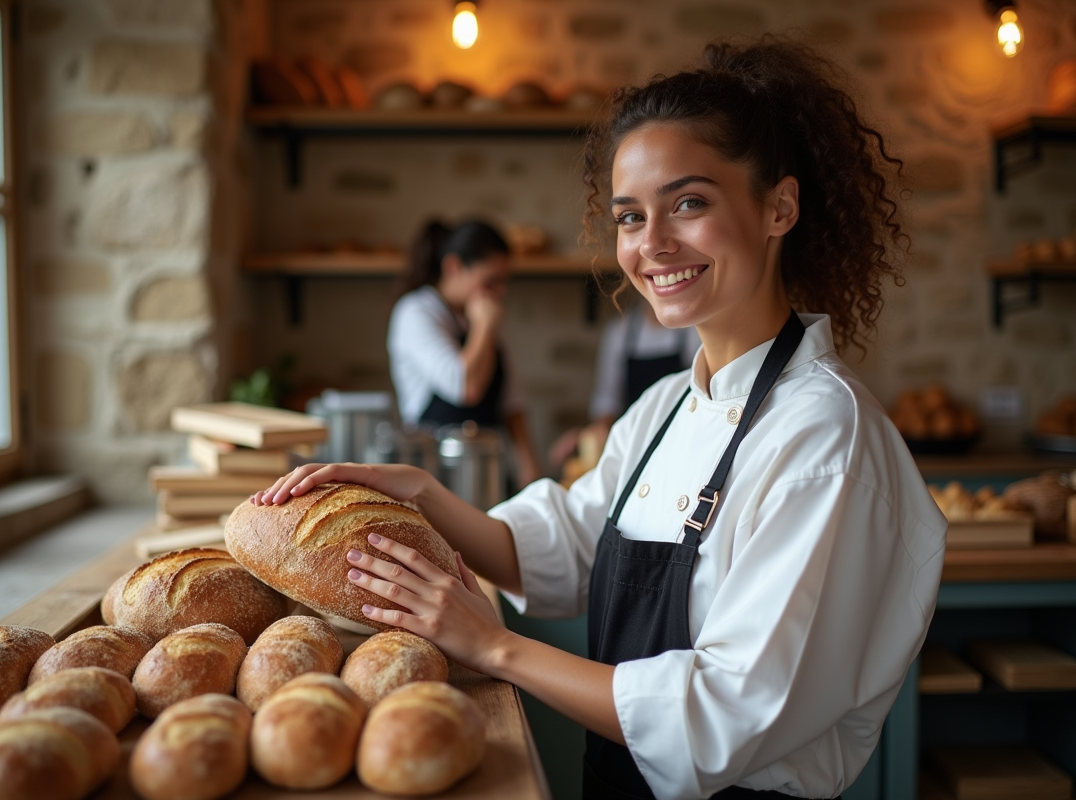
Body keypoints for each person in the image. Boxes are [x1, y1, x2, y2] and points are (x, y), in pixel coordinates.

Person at [254, 38, 946, 800]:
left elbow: (720, 716)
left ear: (779, 206)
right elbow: (564, 548)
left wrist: (496, 648)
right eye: (629, 216)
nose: (651, 244)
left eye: (689, 202)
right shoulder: (665, 409)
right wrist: (422, 494)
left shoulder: (822, 437)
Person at [386, 219, 542, 486]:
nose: (499, 292)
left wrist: (528, 464)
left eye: (504, 282)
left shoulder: (486, 315)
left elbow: (511, 399)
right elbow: (465, 387)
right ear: (453, 267)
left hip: (490, 469)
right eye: (491, 282)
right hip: (435, 474)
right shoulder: (415, 312)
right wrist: (483, 326)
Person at [549, 289, 701, 468]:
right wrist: (593, 435)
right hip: (634, 446)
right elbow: (608, 399)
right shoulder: (620, 332)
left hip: (681, 442)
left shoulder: (695, 332)